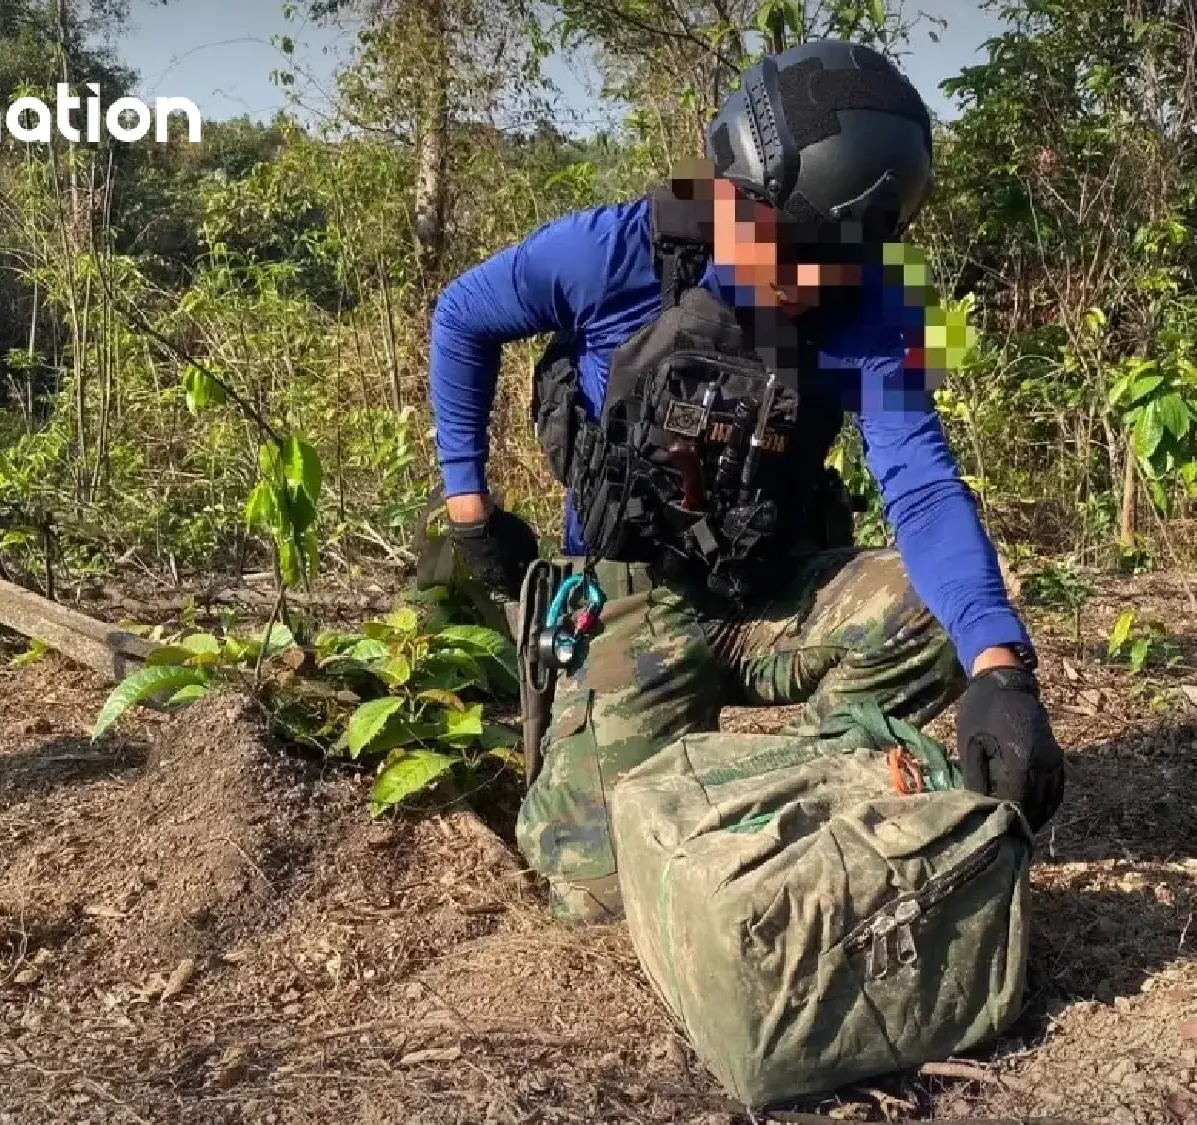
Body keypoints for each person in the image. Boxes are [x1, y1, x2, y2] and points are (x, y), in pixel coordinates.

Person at [428, 38, 1064, 923]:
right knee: (597, 898)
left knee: (926, 615)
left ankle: (794, 799)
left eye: (841, 260)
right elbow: (461, 314)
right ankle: (634, 764)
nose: (815, 283)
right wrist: (470, 508)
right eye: (798, 251)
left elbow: (919, 480)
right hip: (629, 595)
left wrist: (1002, 670)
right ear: (733, 196)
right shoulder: (612, 251)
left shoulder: (882, 297)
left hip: (772, 585)